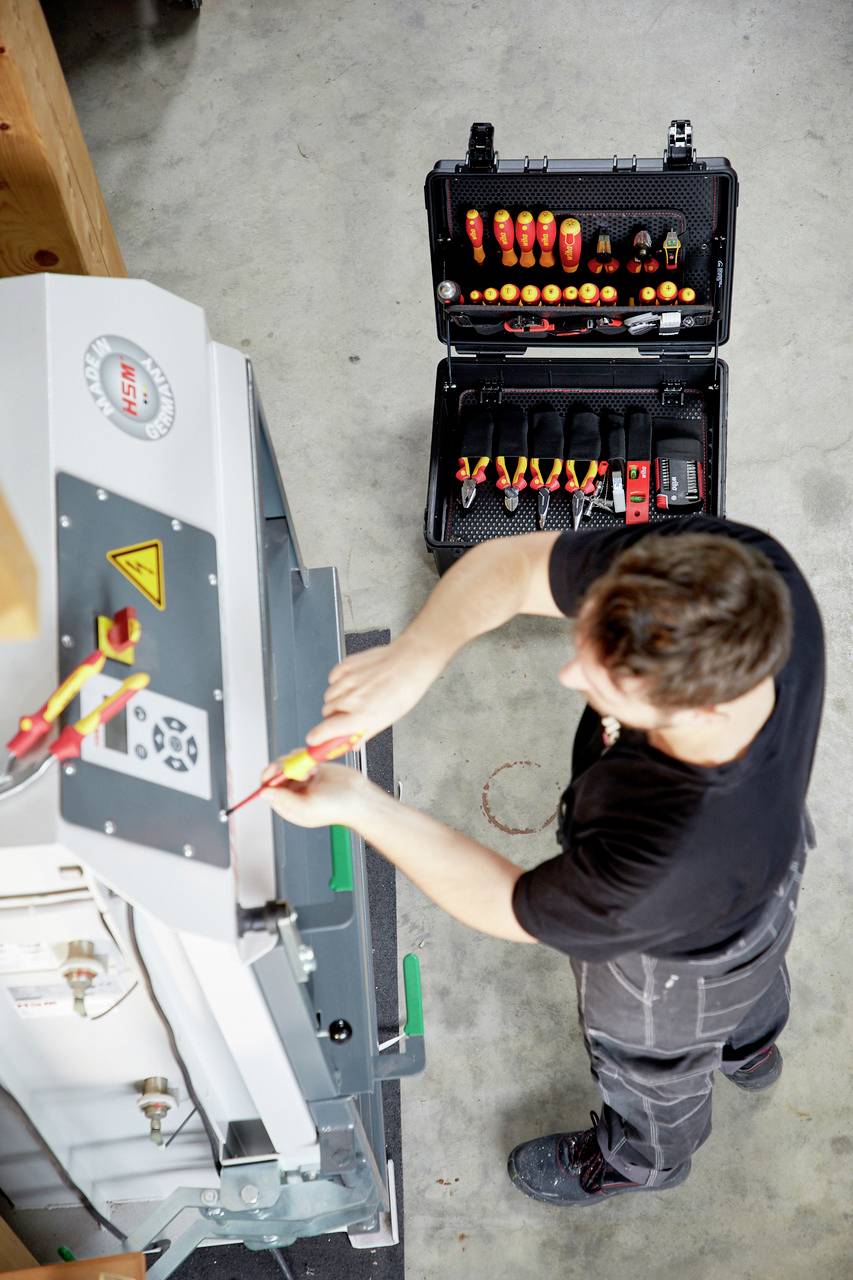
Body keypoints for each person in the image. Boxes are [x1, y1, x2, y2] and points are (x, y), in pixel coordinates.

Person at [261, 516, 824, 1206]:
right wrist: (415, 657)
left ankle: (642, 1160)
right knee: (756, 967)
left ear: (701, 712)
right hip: (770, 876)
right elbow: (520, 566)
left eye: (607, 680)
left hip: (672, 973)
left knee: (654, 1073)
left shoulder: (657, 867)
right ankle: (752, 1044)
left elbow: (507, 904)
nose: (567, 673)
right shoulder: (745, 577)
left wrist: (361, 806)